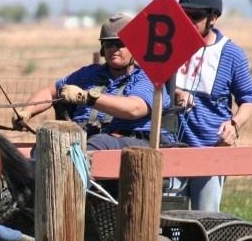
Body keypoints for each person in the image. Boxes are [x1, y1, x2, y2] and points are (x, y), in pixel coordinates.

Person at [12, 13, 173, 149]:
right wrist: (27, 112)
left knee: (95, 144)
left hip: (132, 144)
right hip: (83, 140)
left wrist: (87, 98)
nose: (113, 49)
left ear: (134, 47)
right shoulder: (88, 74)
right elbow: (49, 92)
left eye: (120, 44)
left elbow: (134, 109)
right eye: (108, 44)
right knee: (45, 146)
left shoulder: (147, 77)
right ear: (102, 48)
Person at [173, 0, 252, 212]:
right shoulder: (168, 46)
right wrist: (176, 93)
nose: (189, 21)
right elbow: (151, 83)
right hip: (170, 149)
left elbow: (247, 100)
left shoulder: (232, 54)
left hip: (210, 150)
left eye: (196, 16)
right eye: (184, 15)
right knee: (167, 220)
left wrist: (234, 125)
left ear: (213, 18)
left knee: (205, 220)